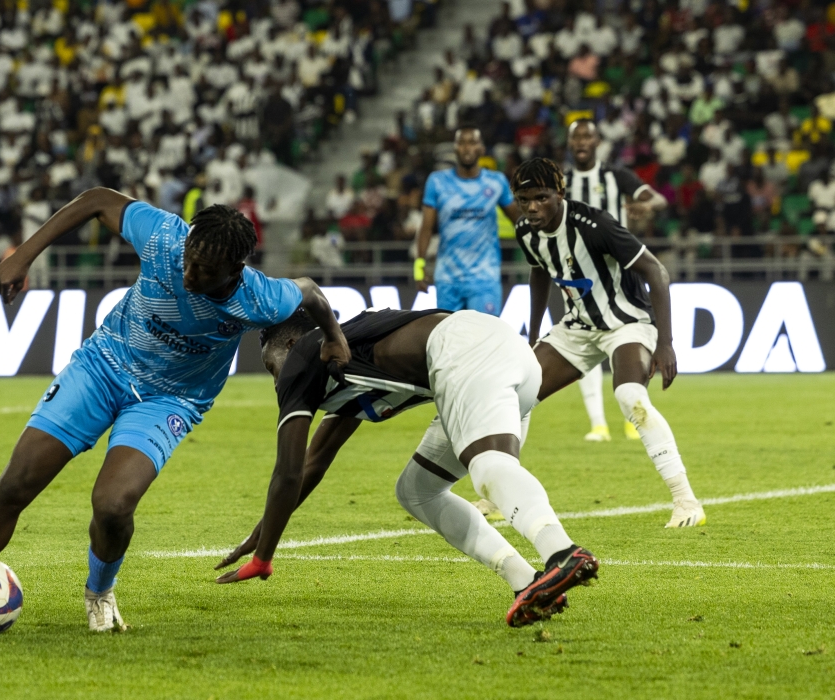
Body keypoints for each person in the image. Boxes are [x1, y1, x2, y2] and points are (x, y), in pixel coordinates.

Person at [0, 188, 349, 634]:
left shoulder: (260, 298)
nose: (189, 271)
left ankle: (99, 593)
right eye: (188, 259)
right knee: (19, 480)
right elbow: (96, 200)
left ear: (236, 270)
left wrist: (334, 337)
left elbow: (311, 293)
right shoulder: (165, 238)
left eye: (204, 269)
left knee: (114, 505)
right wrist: (23, 256)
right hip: (103, 367)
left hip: (171, 399)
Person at [214, 307, 599, 627]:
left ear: (291, 344)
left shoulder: (304, 357)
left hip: (466, 349)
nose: (275, 378)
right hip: (500, 352)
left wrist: (264, 557)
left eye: (270, 366)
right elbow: (315, 462)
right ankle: (526, 582)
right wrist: (262, 532)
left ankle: (562, 553)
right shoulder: (343, 360)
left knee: (487, 466)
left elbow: (289, 470)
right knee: (417, 491)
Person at [512, 158, 704, 528]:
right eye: (524, 200)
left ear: (560, 193)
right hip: (578, 326)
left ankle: (686, 501)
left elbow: (656, 272)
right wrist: (534, 332)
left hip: (626, 322)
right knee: (516, 392)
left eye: (541, 197)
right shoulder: (525, 230)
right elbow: (539, 273)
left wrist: (666, 343)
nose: (532, 207)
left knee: (630, 396)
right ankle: (496, 495)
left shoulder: (594, 224)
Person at [564, 118, 668, 443]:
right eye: (576, 137)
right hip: (576, 276)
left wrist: (645, 206)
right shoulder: (562, 182)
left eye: (587, 137)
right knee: (587, 341)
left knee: (624, 339)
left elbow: (659, 199)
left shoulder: (616, 176)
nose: (582, 142)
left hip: (619, 275)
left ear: (597, 143)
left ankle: (631, 416)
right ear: (570, 144)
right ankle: (598, 424)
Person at [415, 127, 522, 315]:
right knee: (449, 341)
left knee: (484, 339)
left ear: (481, 148)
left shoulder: (496, 182)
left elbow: (519, 221)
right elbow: (426, 227)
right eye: (462, 142)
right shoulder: (437, 181)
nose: (467, 148)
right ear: (455, 148)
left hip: (485, 279)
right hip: (448, 278)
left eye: (472, 142)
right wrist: (419, 265)